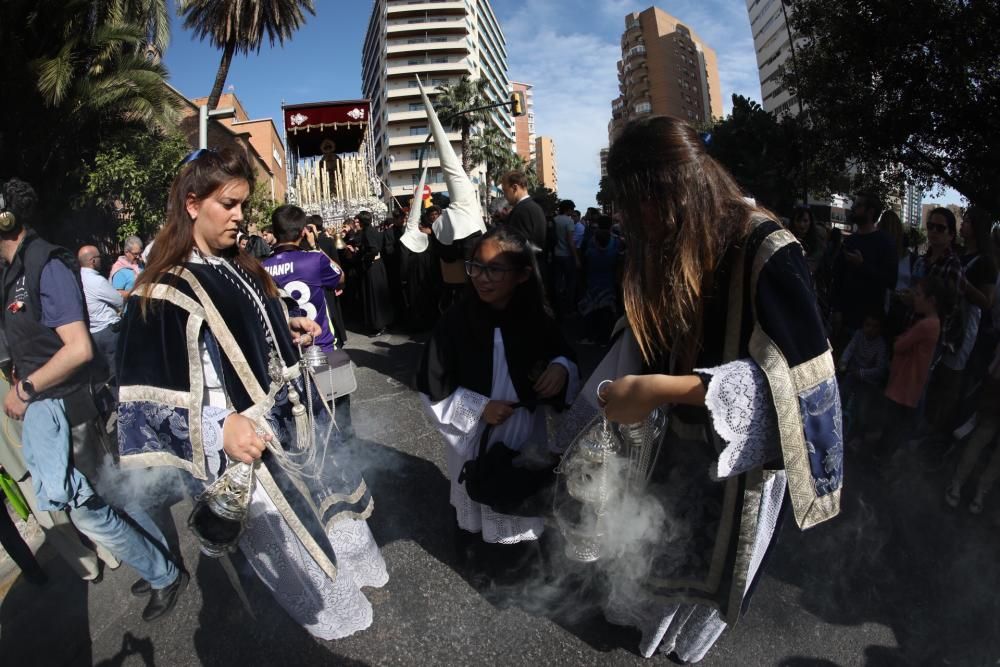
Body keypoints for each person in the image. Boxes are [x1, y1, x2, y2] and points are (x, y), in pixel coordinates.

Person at [567, 116, 842, 662]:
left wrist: (660, 389)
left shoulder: (767, 247)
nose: (630, 220)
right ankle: (643, 623)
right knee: (659, 540)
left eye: (637, 204)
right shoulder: (672, 234)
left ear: (676, 190)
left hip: (739, 459)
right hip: (673, 436)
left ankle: (681, 645)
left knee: (705, 557)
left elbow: (795, 385)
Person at [115, 148, 387, 639]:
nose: (241, 217)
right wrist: (220, 427)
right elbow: (146, 399)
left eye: (243, 204)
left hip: (291, 421)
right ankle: (334, 620)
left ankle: (351, 589)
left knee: (328, 516)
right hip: (244, 447)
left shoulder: (234, 263)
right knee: (295, 548)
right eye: (230, 204)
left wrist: (289, 326)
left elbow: (247, 327)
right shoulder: (157, 289)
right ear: (193, 204)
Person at [0, 177, 184, 621]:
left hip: (76, 406)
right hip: (55, 408)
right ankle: (159, 564)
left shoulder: (45, 265)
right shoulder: (14, 273)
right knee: (107, 499)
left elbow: (79, 348)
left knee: (102, 504)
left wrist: (25, 388)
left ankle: (164, 572)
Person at [417, 228, 578, 558]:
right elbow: (431, 383)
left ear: (522, 275)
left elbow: (563, 353)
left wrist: (561, 367)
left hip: (526, 431)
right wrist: (479, 408)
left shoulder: (537, 318)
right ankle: (481, 558)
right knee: (479, 505)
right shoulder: (455, 322)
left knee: (525, 502)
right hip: (476, 435)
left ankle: (525, 563)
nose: (481, 278)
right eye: (475, 266)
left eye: (494, 269)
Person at [262, 205, 354, 434]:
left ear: (274, 231)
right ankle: (349, 468)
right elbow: (340, 278)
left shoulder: (262, 268)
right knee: (339, 422)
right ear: (303, 231)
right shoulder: (314, 260)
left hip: (288, 358)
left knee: (302, 426)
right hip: (323, 349)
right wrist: (315, 247)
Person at [881, 277, 948, 457]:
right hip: (911, 383)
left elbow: (899, 346)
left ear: (931, 300)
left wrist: (901, 340)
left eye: (918, 295)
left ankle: (880, 461)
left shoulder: (926, 325)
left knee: (891, 426)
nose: (915, 298)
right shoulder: (934, 323)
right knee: (896, 426)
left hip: (904, 382)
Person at [831, 192, 897, 348]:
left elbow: (890, 281)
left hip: (870, 325)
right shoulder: (850, 241)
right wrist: (837, 309)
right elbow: (838, 277)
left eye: (858, 205)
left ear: (870, 212)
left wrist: (862, 265)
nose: (853, 208)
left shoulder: (885, 243)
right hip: (845, 320)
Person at [839, 311, 888, 445]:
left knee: (862, 411)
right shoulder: (859, 335)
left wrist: (862, 373)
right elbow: (849, 350)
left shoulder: (881, 345)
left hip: (867, 380)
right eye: (868, 325)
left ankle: (857, 438)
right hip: (852, 374)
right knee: (839, 396)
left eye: (875, 326)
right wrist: (843, 362)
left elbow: (880, 369)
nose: (870, 329)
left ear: (880, 329)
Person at [77, 245, 122, 379]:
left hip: (92, 333)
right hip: (109, 332)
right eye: (99, 257)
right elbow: (119, 301)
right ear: (93, 261)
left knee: (104, 374)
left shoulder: (78, 278)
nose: (101, 260)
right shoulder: (97, 281)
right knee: (118, 372)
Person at [579, 215, 621, 344]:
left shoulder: (592, 242)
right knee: (607, 311)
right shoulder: (617, 241)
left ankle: (591, 337)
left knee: (592, 310)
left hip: (593, 280)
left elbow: (585, 257)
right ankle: (606, 338)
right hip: (610, 279)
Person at [357, 210, 394, 335]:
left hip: (373, 267)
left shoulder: (368, 232)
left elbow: (374, 249)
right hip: (378, 266)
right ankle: (382, 323)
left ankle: (379, 324)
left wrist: (363, 257)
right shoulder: (372, 230)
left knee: (374, 296)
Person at [500, 170, 547, 253]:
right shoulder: (532, 207)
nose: (504, 195)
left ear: (515, 188)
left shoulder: (523, 210)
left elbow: (519, 247)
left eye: (505, 190)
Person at [551, 200, 579, 315]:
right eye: (572, 209)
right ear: (568, 209)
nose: (572, 212)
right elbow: (570, 242)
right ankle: (569, 308)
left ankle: (557, 307)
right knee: (570, 283)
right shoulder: (569, 221)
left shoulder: (554, 220)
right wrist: (576, 258)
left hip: (555, 255)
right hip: (566, 256)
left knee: (557, 283)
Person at [787, 205, 823, 274]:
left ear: (810, 222)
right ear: (793, 222)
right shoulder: (787, 239)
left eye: (805, 221)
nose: (801, 224)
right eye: (798, 220)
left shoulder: (817, 242)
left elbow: (812, 265)